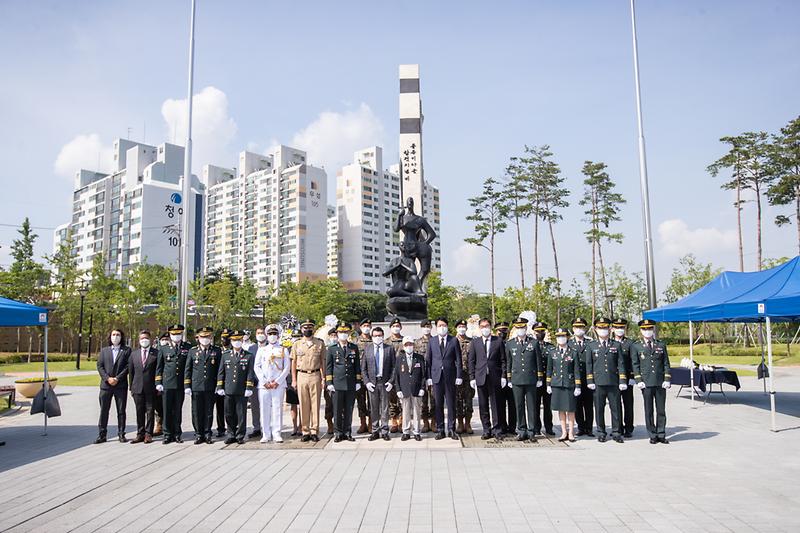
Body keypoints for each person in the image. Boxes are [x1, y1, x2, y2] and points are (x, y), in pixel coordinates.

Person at [631, 319, 672, 444]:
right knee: (649, 410)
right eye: (644, 329)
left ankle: (661, 433)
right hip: (646, 383)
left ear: (653, 330)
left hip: (660, 382)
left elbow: (666, 363)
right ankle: (652, 434)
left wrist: (667, 379)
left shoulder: (661, 345)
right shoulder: (636, 346)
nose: (647, 331)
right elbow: (635, 365)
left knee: (661, 410)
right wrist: (638, 380)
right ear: (641, 331)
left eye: (649, 329)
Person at [587, 317, 626, 443]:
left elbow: (621, 364)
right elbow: (589, 365)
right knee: (599, 409)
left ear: (610, 329)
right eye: (600, 327)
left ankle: (616, 432)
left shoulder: (616, 345)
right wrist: (590, 381)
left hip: (613, 382)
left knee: (616, 408)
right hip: (598, 383)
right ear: (595, 329)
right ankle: (601, 432)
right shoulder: (591, 345)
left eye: (605, 327)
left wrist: (622, 380)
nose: (603, 330)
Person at [467, 317, 506, 440]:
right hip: (481, 377)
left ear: (490, 327)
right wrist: (472, 377)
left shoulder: (498, 341)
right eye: (482, 326)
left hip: (495, 377)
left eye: (487, 326)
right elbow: (471, 361)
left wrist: (503, 376)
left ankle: (497, 429)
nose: (485, 328)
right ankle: (486, 429)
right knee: (483, 405)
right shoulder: (475, 342)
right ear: (479, 328)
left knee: (496, 405)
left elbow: (503, 360)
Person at [216, 330, 256, 444]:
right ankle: (230, 434)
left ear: (242, 340)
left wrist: (249, 387)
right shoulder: (226, 355)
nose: (236, 342)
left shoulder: (248, 355)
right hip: (228, 389)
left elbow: (250, 373)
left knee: (241, 414)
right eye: (234, 340)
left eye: (238, 340)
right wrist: (220, 386)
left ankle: (240, 435)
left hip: (241, 389)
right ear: (231, 341)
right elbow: (221, 372)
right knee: (229, 413)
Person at [505, 317, 541, 442]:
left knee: (531, 406)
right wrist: (509, 378)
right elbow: (509, 362)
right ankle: (521, 430)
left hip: (531, 379)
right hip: (516, 379)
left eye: (522, 327)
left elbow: (538, 361)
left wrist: (539, 377)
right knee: (519, 406)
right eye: (518, 327)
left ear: (526, 328)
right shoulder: (510, 343)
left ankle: (531, 431)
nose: (520, 329)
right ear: (515, 328)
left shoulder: (534, 343)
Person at [427, 317, 463, 440]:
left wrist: (459, 375)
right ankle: (440, 429)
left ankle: (451, 429)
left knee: (451, 404)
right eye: (439, 325)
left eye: (444, 325)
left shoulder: (453, 340)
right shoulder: (432, 341)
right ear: (436, 327)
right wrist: (429, 377)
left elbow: (458, 359)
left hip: (450, 377)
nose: (442, 328)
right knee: (438, 404)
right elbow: (428, 360)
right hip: (436, 377)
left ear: (447, 327)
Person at [291, 319, 326, 443]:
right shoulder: (297, 344)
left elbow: (322, 362)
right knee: (304, 404)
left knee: (315, 405)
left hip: (315, 375)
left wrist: (323, 378)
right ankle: (305, 431)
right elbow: (293, 363)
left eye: (310, 327)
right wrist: (294, 379)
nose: (307, 330)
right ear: (301, 329)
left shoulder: (320, 343)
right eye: (305, 328)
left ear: (313, 329)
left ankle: (314, 430)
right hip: (302, 375)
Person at [326, 322, 363, 442]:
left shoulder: (353, 347)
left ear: (349, 333)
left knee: (349, 409)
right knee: (337, 410)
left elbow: (357, 365)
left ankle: (347, 432)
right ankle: (338, 433)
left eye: (345, 332)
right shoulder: (332, 349)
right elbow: (329, 367)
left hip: (350, 383)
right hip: (337, 384)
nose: (343, 334)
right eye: (341, 332)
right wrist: (329, 383)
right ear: (337, 333)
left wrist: (358, 381)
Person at [184, 326, 221, 444]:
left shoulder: (217, 351)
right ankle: (199, 434)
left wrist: (219, 385)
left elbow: (220, 370)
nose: (205, 339)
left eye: (207, 336)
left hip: (210, 386)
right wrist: (187, 385)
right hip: (196, 386)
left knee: (209, 411)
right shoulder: (192, 351)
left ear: (211, 337)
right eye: (202, 337)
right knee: (196, 411)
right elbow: (188, 369)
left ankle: (207, 433)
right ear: (198, 338)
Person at [255, 325, 291, 443]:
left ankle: (277, 433)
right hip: (264, 385)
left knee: (277, 408)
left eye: (274, 334)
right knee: (264, 409)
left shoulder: (283, 350)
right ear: (267, 336)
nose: (272, 336)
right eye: (270, 334)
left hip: (278, 385)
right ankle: (266, 434)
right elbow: (257, 366)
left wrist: (278, 381)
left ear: (278, 335)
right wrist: (264, 381)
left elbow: (287, 368)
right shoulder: (262, 350)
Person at [155, 324, 191, 444]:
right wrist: (158, 382)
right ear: (170, 335)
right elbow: (159, 367)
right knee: (167, 410)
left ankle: (177, 433)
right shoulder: (164, 348)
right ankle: (167, 434)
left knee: (177, 410)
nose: (176, 336)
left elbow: (189, 367)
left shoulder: (188, 347)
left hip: (180, 384)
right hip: (167, 384)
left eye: (178, 334)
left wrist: (188, 384)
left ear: (182, 334)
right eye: (174, 334)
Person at [95, 329, 130, 444]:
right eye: (113, 335)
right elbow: (100, 366)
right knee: (104, 410)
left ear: (121, 337)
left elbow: (128, 367)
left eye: (118, 335)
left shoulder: (126, 350)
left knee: (121, 411)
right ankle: (102, 434)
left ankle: (121, 433)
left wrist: (117, 378)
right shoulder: (104, 351)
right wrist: (107, 378)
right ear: (110, 337)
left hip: (120, 385)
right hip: (106, 386)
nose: (115, 337)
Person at [546, 328, 581, 442]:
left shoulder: (573, 352)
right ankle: (564, 432)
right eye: (558, 336)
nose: (561, 338)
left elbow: (576, 371)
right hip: (556, 384)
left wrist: (578, 386)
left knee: (570, 409)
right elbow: (549, 369)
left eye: (563, 336)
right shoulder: (552, 352)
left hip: (569, 384)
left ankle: (571, 432)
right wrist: (548, 384)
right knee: (560, 409)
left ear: (567, 337)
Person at [362, 326, 396, 441]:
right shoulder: (368, 349)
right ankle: (375, 430)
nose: (377, 337)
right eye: (375, 336)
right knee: (373, 408)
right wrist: (367, 382)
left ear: (383, 336)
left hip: (384, 382)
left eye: (379, 335)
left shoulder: (389, 349)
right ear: (372, 337)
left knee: (385, 408)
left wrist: (391, 381)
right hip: (372, 383)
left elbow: (394, 367)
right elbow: (363, 368)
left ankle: (385, 430)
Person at [393, 336, 426, 441]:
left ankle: (416, 431)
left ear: (413, 345)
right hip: (405, 389)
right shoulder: (399, 359)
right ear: (404, 346)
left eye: (410, 344)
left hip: (417, 389)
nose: (409, 346)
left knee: (417, 411)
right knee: (405, 411)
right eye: (407, 345)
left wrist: (422, 388)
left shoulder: (419, 358)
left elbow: (423, 375)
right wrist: (398, 389)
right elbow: (396, 375)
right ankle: (406, 432)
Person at [129, 330, 158, 444]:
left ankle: (148, 433)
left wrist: (158, 386)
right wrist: (131, 388)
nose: (144, 340)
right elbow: (131, 372)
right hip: (137, 387)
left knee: (150, 411)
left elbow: (158, 371)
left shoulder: (156, 353)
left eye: (146, 338)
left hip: (151, 387)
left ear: (150, 339)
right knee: (139, 411)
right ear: (139, 340)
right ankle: (140, 433)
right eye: (142, 338)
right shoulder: (134, 354)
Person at [569, 317, 594, 437]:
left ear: (585, 328)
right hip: (575, 379)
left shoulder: (590, 342)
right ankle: (580, 427)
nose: (579, 329)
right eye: (576, 327)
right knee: (577, 405)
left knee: (589, 404)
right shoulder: (569, 343)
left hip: (588, 378)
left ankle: (589, 428)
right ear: (573, 329)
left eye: (581, 327)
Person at [613, 318, 636, 438]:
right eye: (617, 327)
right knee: (616, 404)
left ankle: (629, 427)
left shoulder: (630, 343)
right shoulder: (610, 342)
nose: (619, 329)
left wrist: (632, 376)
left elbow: (634, 361)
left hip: (627, 378)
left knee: (628, 404)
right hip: (613, 378)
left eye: (621, 327)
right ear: (612, 329)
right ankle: (618, 427)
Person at [532, 322, 555, 436]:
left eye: (542, 331)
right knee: (535, 405)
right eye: (538, 331)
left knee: (548, 405)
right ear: (534, 333)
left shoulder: (550, 347)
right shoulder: (531, 346)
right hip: (535, 380)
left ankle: (549, 427)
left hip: (547, 380)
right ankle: (536, 427)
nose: (540, 333)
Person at [494, 321, 516, 435]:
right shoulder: (494, 344)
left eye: (505, 330)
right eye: (500, 331)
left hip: (512, 378)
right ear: (496, 332)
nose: (502, 333)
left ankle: (512, 427)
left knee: (513, 404)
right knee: (500, 404)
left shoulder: (511, 344)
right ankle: (502, 426)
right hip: (499, 378)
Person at [454, 319, 474, 434]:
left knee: (469, 400)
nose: (462, 328)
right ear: (456, 328)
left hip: (468, 376)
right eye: (459, 326)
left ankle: (468, 423)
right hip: (457, 376)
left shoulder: (471, 341)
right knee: (458, 401)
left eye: (463, 326)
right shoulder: (452, 341)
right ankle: (460, 423)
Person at [353, 318, 373, 434]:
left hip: (371, 376)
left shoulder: (374, 340)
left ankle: (371, 423)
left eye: (368, 326)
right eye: (364, 326)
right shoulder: (355, 342)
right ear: (360, 327)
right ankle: (363, 423)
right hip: (359, 376)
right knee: (360, 400)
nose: (366, 328)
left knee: (372, 401)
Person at [415, 319, 434, 432]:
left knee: (434, 400)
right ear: (421, 328)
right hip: (421, 375)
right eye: (424, 327)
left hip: (434, 374)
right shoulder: (417, 343)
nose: (426, 328)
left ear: (431, 328)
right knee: (423, 401)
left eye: (428, 326)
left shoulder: (435, 341)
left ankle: (434, 422)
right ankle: (425, 422)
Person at [213, 328, 232, 437]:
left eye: (226, 338)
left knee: (230, 408)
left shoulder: (234, 350)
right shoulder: (217, 350)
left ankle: (232, 428)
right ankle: (221, 428)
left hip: (230, 383)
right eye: (223, 338)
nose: (224, 340)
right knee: (219, 408)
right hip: (218, 384)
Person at [243, 329, 262, 440]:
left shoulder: (259, 347)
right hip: (248, 381)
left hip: (261, 382)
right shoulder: (249, 348)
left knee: (260, 406)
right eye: (258, 333)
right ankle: (253, 428)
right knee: (251, 407)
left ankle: (262, 428)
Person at [387, 318, 404, 433]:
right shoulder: (386, 342)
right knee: (392, 399)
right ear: (390, 328)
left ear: (401, 327)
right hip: (390, 375)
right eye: (394, 326)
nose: (396, 328)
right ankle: (393, 421)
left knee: (402, 399)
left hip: (403, 374)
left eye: (398, 326)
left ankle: (402, 421)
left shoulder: (405, 341)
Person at [153, 332, 169, 436]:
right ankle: (158, 425)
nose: (165, 341)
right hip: (156, 383)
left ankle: (168, 426)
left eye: (167, 339)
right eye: (163, 339)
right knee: (157, 407)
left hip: (168, 383)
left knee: (168, 407)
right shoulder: (155, 352)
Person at [324, 327, 337, 434]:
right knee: (329, 404)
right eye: (332, 336)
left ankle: (339, 424)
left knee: (341, 404)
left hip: (339, 379)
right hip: (327, 379)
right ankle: (329, 423)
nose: (334, 338)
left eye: (335, 336)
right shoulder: (325, 349)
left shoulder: (341, 347)